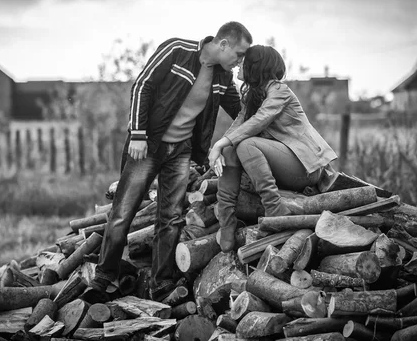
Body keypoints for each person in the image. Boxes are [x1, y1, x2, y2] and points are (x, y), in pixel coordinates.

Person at [89, 22, 253, 301]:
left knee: (171, 218)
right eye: (238, 54)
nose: (239, 61)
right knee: (122, 213)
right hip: (147, 145)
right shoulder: (177, 50)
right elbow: (143, 85)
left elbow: (239, 110)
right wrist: (138, 134)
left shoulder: (223, 78)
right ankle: (104, 278)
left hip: (181, 151)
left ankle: (160, 283)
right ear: (223, 44)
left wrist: (268, 114)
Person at [208, 45, 337, 252]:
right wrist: (220, 147)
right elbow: (237, 127)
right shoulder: (252, 96)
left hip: (305, 167)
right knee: (230, 148)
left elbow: (260, 120)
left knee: (245, 145)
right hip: (285, 164)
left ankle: (275, 209)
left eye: (244, 61)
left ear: (256, 66)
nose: (239, 64)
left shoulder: (279, 91)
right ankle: (227, 222)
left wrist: (220, 143)